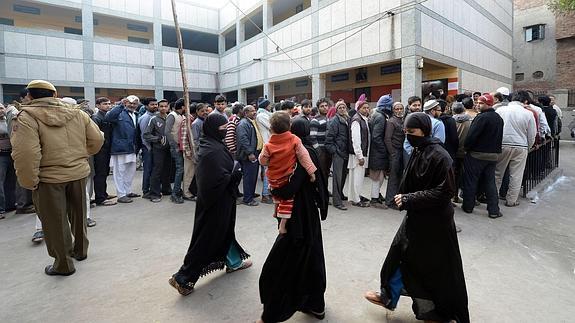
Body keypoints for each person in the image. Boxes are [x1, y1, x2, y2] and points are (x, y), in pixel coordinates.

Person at [364, 112, 469, 323]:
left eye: (412, 132)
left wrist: (410, 198)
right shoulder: (419, 150)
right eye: (406, 132)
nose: (408, 136)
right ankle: (388, 296)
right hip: (417, 217)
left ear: (425, 131)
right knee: (398, 255)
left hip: (436, 223)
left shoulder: (441, 156)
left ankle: (437, 313)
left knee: (431, 269)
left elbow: (445, 192)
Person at [11, 80, 103, 276]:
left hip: (49, 178)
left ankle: (63, 265)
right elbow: (97, 139)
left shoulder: (26, 116)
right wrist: (80, 156)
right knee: (79, 214)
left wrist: (29, 181)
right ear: (54, 95)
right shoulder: (76, 112)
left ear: (29, 96)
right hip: (77, 173)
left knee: (55, 222)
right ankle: (81, 251)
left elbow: (26, 154)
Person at [169, 113, 251, 295]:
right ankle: (182, 278)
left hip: (222, 200)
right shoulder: (211, 151)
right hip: (214, 203)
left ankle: (234, 262)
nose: (225, 131)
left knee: (225, 233)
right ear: (213, 129)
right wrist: (235, 174)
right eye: (222, 129)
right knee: (206, 240)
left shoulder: (214, 144)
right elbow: (212, 181)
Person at [258, 117, 329, 323]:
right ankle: (316, 305)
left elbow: (287, 188)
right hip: (309, 216)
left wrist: (274, 187)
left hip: (298, 218)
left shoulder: (297, 156)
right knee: (312, 258)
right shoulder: (309, 151)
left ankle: (273, 313)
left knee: (281, 265)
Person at [259, 112, 317, 231]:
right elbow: (304, 156)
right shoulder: (294, 140)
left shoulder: (269, 144)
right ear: (289, 126)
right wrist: (311, 172)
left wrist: (272, 162)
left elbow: (263, 161)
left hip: (273, 179)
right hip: (286, 178)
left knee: (276, 194)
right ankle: (283, 225)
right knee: (287, 200)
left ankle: (276, 212)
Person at [462, 94, 504, 218]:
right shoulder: (498, 118)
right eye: (478, 103)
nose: (478, 105)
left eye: (481, 103)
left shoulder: (481, 118)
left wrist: (466, 148)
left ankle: (468, 207)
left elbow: (471, 136)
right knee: (490, 182)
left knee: (471, 181)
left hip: (477, 155)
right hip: (493, 156)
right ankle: (494, 210)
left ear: (489, 104)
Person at [494, 91, 537, 207]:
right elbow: (532, 134)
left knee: (497, 173)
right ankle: (511, 200)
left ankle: (493, 199)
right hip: (521, 146)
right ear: (525, 101)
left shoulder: (500, 110)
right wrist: (528, 147)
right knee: (516, 175)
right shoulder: (528, 114)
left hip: (502, 144)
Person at [106, 95, 141, 203]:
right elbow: (109, 117)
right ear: (125, 103)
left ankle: (128, 191)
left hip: (132, 148)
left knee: (130, 171)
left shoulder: (136, 114)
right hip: (120, 148)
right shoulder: (119, 112)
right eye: (130, 103)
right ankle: (121, 195)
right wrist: (120, 105)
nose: (132, 105)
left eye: (134, 103)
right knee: (119, 172)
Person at [144, 100, 172, 202]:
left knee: (167, 170)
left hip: (169, 149)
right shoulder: (154, 119)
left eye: (165, 106)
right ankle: (154, 193)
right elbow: (146, 135)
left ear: (168, 107)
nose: (163, 108)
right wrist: (158, 139)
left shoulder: (170, 117)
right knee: (157, 170)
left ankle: (166, 189)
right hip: (158, 149)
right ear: (158, 107)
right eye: (161, 106)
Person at [91, 97, 117, 206]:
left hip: (106, 149)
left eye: (109, 103)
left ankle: (104, 194)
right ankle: (100, 198)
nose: (108, 105)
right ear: (98, 105)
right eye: (105, 104)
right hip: (100, 150)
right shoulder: (96, 118)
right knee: (100, 174)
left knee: (104, 172)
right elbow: (96, 135)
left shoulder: (106, 116)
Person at [325, 100, 350, 210]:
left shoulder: (346, 119)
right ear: (336, 109)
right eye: (339, 107)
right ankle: (337, 201)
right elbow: (329, 140)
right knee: (337, 178)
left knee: (343, 176)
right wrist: (335, 151)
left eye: (343, 107)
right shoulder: (334, 121)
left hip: (345, 152)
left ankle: (340, 194)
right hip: (338, 153)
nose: (342, 109)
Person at [368, 95, 391, 208]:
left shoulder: (376, 114)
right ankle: (374, 199)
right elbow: (376, 137)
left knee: (378, 176)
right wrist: (384, 150)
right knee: (378, 177)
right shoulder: (381, 117)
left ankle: (376, 196)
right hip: (378, 153)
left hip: (375, 151)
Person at [236, 105, 261, 206]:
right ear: (246, 113)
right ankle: (248, 199)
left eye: (255, 110)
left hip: (255, 152)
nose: (254, 112)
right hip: (249, 155)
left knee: (253, 176)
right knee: (249, 177)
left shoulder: (251, 121)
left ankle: (250, 194)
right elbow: (243, 140)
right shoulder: (243, 124)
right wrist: (250, 153)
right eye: (252, 111)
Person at [348, 100, 371, 207]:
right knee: (356, 178)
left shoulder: (363, 119)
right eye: (364, 108)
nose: (366, 110)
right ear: (358, 109)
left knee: (359, 177)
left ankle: (356, 196)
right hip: (358, 154)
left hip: (362, 153)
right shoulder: (357, 120)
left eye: (367, 108)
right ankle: (356, 200)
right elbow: (356, 140)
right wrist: (360, 156)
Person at [165, 98, 187, 203]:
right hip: (176, 146)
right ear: (182, 106)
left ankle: (177, 190)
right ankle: (175, 193)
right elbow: (167, 132)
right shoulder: (172, 115)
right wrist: (174, 145)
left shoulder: (182, 116)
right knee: (180, 169)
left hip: (181, 145)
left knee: (180, 169)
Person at [383, 102, 405, 209]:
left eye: (401, 108)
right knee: (393, 178)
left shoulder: (402, 120)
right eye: (397, 109)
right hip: (395, 152)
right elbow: (387, 139)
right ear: (393, 110)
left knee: (399, 177)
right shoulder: (392, 121)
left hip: (401, 151)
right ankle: (389, 201)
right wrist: (392, 153)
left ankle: (395, 199)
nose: (399, 110)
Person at [138, 98, 158, 198]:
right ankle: (146, 191)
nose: (155, 106)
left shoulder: (154, 116)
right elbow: (144, 135)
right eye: (152, 104)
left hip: (153, 148)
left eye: (155, 104)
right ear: (146, 106)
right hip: (148, 148)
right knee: (148, 169)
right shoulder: (146, 118)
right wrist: (148, 148)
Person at [452, 102, 471, 203]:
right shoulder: (469, 121)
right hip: (465, 152)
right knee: (465, 175)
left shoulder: (451, 121)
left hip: (454, 152)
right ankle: (464, 195)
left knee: (454, 175)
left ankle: (454, 196)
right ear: (463, 109)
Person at [310, 98, 331, 184]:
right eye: (322, 106)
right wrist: (319, 151)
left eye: (326, 106)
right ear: (318, 108)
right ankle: (321, 192)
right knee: (321, 172)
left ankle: (325, 190)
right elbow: (312, 137)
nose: (325, 108)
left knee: (326, 171)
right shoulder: (315, 121)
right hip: (320, 151)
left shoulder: (328, 119)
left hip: (328, 149)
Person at [256, 99, 273, 204]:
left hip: (269, 144)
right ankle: (265, 195)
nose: (270, 106)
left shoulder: (265, 114)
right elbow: (272, 126)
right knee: (267, 171)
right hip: (267, 144)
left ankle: (268, 192)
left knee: (269, 171)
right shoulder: (261, 115)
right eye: (269, 105)